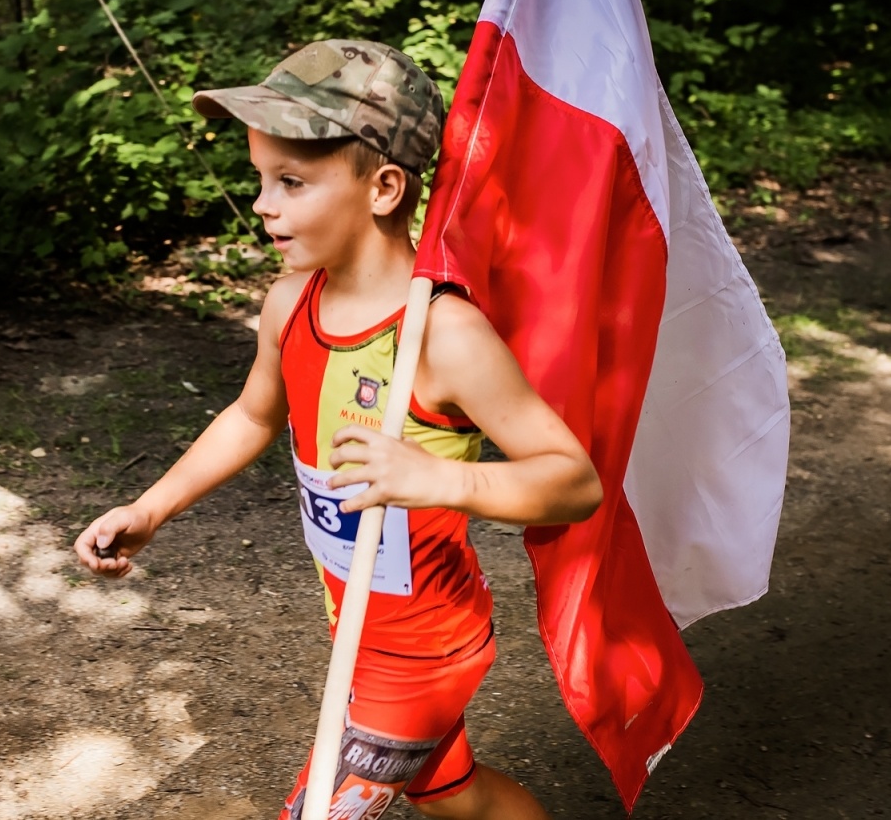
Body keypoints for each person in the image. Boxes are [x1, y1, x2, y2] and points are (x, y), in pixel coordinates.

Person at [73, 40, 602, 820]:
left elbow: (574, 481)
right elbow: (252, 414)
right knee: (457, 797)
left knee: (318, 810)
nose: (264, 204)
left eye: (291, 181)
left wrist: (443, 478)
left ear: (384, 186)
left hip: (423, 649)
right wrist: (152, 509)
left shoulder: (442, 335)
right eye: (261, 180)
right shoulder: (291, 303)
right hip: (353, 624)